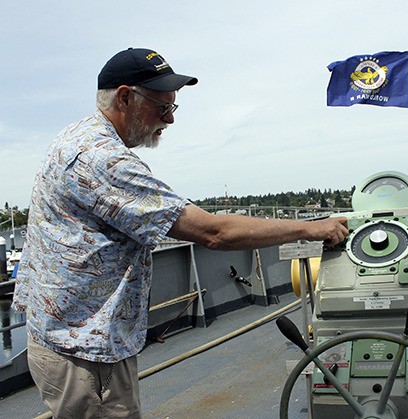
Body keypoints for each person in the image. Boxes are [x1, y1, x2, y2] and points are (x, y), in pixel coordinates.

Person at [12, 47, 348, 418]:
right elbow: (213, 232)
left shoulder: (77, 136)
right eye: (162, 107)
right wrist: (313, 228)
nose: (169, 120)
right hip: (83, 349)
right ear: (125, 97)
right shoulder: (100, 158)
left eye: (174, 108)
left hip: (74, 334)